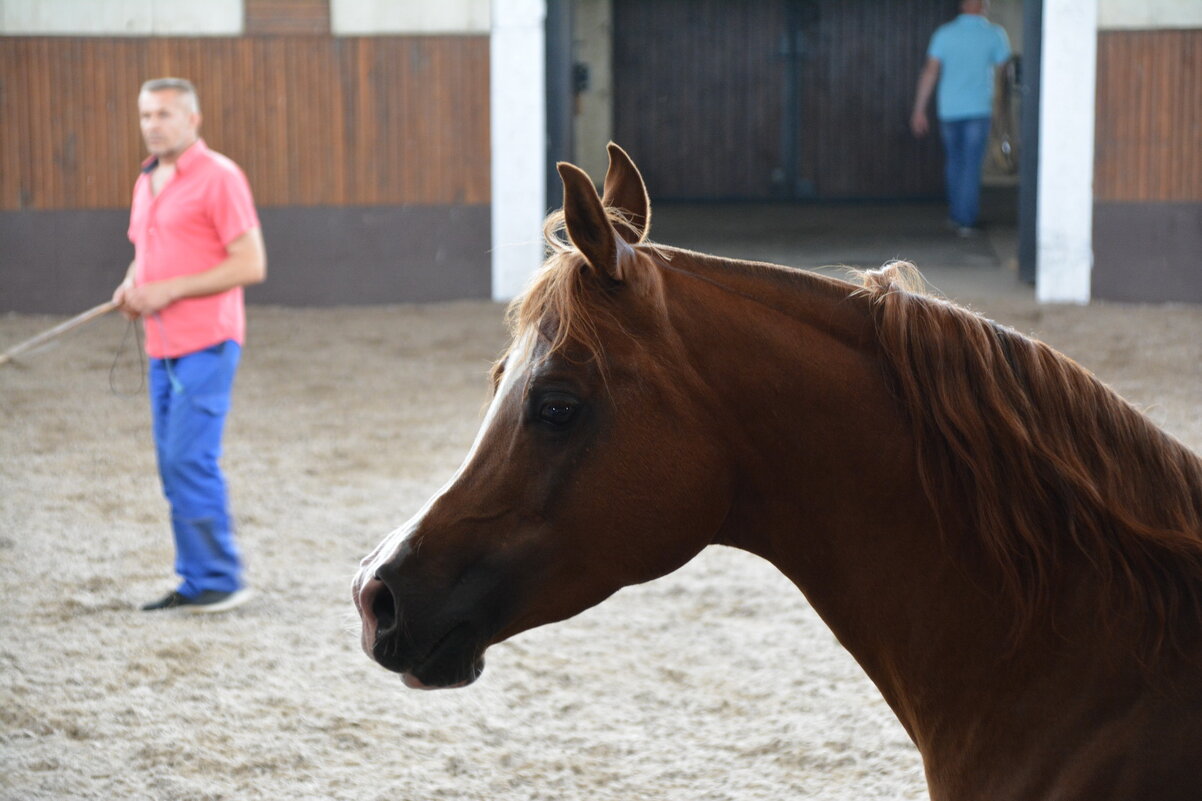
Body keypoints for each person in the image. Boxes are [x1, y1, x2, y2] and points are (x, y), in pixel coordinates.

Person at [112, 77, 266, 613]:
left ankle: (220, 579)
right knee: (173, 464)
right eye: (146, 116)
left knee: (189, 459)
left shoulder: (220, 178)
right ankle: (198, 578)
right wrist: (133, 285)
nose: (153, 125)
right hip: (161, 345)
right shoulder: (148, 181)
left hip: (207, 342)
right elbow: (147, 254)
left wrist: (168, 290)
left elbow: (251, 264)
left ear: (192, 120)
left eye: (164, 115)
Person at [910, 0, 1011, 236]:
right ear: (984, 6)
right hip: (978, 110)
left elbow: (930, 72)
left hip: (949, 109)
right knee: (971, 165)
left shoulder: (944, 34)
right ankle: (965, 220)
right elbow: (1005, 70)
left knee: (955, 163)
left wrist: (919, 109)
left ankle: (957, 216)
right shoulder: (995, 34)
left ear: (962, 6)